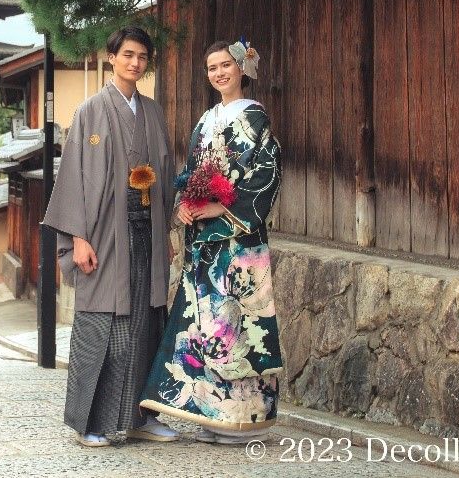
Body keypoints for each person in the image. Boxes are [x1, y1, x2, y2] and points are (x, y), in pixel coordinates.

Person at [139, 38, 283, 444]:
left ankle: (244, 417)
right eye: (212, 68)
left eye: (226, 65)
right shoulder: (205, 120)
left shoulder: (256, 118)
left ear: (241, 69)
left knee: (237, 320)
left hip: (237, 238)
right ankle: (210, 415)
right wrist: (185, 203)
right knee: (203, 321)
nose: (219, 73)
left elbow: (266, 174)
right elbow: (192, 173)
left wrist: (222, 208)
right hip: (202, 237)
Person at [42, 26, 180, 447]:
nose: (135, 63)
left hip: (147, 231)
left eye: (142, 57)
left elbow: (167, 174)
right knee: (101, 324)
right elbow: (72, 179)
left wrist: (169, 227)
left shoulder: (153, 112)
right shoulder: (90, 111)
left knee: (146, 324)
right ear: (112, 57)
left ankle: (143, 415)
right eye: (128, 55)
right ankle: (89, 423)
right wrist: (78, 237)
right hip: (104, 234)